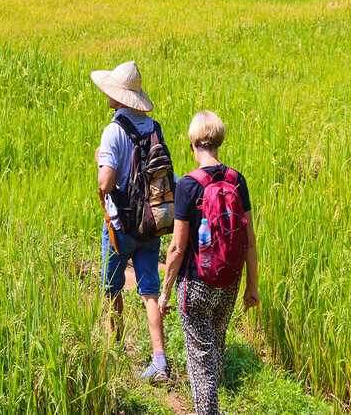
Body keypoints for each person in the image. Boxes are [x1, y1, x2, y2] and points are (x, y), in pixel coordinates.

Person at [158, 110, 259, 414]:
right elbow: (250, 240)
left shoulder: (188, 185)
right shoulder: (237, 180)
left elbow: (176, 247)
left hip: (196, 283)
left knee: (199, 363)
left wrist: (164, 294)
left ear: (192, 144)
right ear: (219, 142)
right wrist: (252, 286)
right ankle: (212, 405)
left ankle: (207, 409)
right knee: (216, 347)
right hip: (229, 280)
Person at [92, 61, 169, 382]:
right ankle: (160, 362)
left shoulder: (113, 131)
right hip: (152, 222)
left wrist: (99, 161)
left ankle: (116, 346)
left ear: (119, 97)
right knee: (150, 291)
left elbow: (106, 184)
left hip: (120, 225)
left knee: (111, 288)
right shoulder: (155, 128)